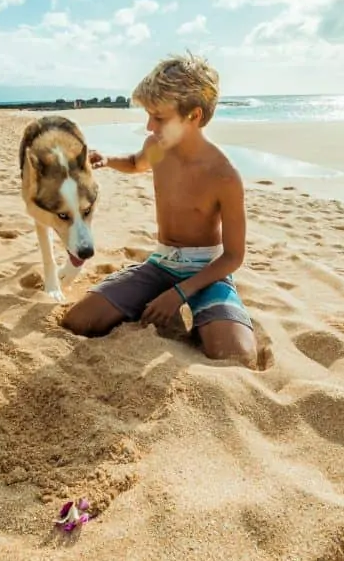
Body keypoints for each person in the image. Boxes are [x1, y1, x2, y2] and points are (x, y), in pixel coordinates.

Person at [62, 53, 258, 367]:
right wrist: (108, 159)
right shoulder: (157, 147)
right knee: (79, 321)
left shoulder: (224, 175)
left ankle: (207, 313)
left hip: (206, 272)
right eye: (149, 115)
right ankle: (143, 296)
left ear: (193, 116)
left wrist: (179, 293)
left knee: (236, 355)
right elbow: (136, 163)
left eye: (159, 117)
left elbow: (233, 256)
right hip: (161, 263)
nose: (149, 126)